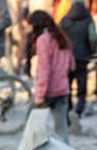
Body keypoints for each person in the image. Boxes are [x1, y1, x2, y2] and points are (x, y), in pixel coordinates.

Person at [28, 10, 75, 142]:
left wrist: (40, 95)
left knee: (32, 128)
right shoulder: (62, 37)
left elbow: (44, 69)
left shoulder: (43, 40)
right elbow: (72, 66)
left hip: (48, 91)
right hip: (63, 89)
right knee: (61, 130)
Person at [59, 0, 97, 129]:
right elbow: (93, 38)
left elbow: (58, 38)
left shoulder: (65, 19)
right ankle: (79, 111)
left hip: (67, 59)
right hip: (82, 57)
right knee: (82, 87)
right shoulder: (88, 19)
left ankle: (68, 114)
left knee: (67, 87)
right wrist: (91, 51)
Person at [16, 0, 35, 77]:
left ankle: (24, 70)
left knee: (26, 49)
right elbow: (22, 15)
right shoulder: (25, 1)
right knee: (24, 49)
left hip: (24, 28)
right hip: (25, 29)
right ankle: (20, 70)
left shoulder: (26, 0)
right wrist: (27, 26)